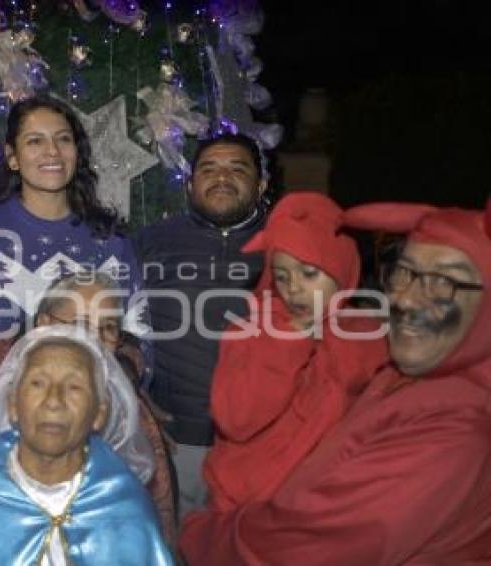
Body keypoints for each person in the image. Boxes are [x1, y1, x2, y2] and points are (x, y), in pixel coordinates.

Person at [180, 201, 491, 564]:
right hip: (241, 508)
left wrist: (200, 536)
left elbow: (307, 548)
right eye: (403, 272)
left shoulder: (454, 428)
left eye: (443, 282)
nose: (404, 297)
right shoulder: (406, 371)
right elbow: (240, 416)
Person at [0, 95, 149, 420]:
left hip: (91, 418)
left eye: (63, 139)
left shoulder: (109, 243)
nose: (52, 152)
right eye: (35, 141)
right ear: (13, 157)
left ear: (77, 152)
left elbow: (138, 335)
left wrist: (125, 372)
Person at [186, 192, 388, 518]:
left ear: (341, 268)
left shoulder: (367, 338)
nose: (294, 287)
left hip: (323, 512)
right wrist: (289, 340)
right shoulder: (252, 332)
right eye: (282, 276)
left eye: (309, 273)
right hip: (243, 510)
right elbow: (237, 420)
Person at [0, 272, 177, 546]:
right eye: (80, 324)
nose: (94, 340)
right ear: (44, 323)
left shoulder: (126, 400)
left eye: (107, 328)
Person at [0, 325, 172, 565]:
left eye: (74, 387)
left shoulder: (122, 503)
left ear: (99, 414)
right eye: (37, 383)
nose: (54, 400)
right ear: (12, 405)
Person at [134, 132, 268, 518]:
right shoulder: (151, 243)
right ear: (190, 183)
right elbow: (122, 326)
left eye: (236, 169)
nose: (221, 177)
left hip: (264, 443)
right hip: (179, 444)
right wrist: (135, 392)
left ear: (260, 185)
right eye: (208, 169)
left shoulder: (287, 243)